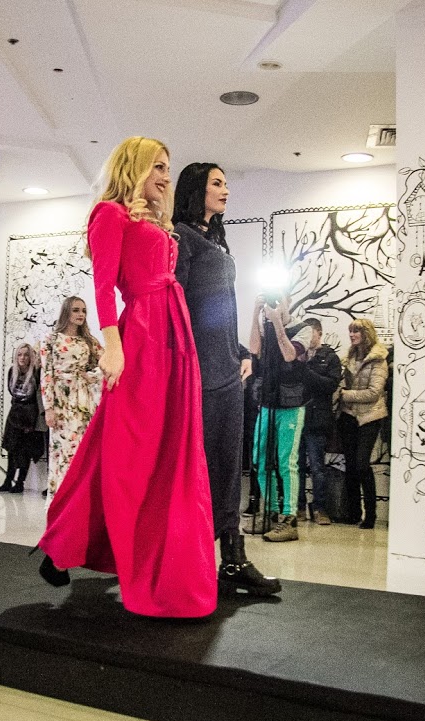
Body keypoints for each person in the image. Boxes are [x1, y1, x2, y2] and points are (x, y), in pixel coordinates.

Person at [36, 136, 217, 618]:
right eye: (157, 166)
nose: (165, 176)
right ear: (132, 167)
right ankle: (93, 546)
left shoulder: (152, 220)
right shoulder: (109, 214)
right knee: (131, 451)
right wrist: (112, 347)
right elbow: (103, 286)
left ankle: (70, 544)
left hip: (174, 335)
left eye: (167, 168)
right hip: (143, 334)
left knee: (150, 447)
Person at [172, 161, 279, 596]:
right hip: (196, 375)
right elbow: (177, 310)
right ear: (196, 189)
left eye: (226, 183)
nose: (226, 190)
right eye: (217, 183)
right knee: (195, 471)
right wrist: (187, 364)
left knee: (229, 468)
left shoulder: (216, 239)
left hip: (227, 373)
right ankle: (189, 562)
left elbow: (221, 312)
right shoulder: (181, 237)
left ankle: (233, 558)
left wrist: (241, 352)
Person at [247, 292, 311, 542]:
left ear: (288, 302)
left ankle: (289, 518)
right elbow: (255, 349)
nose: (275, 305)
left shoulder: (303, 329)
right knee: (260, 459)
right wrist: (256, 313)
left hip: (291, 406)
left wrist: (276, 323)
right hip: (267, 402)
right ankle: (271, 511)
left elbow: (289, 355)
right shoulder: (266, 327)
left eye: (279, 300)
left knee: (287, 462)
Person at [40, 296, 103, 498]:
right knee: (63, 450)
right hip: (61, 401)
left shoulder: (89, 341)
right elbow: (46, 374)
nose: (80, 314)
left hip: (83, 400)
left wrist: (92, 375)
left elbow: (108, 363)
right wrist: (49, 408)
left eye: (83, 311)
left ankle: (79, 499)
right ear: (66, 311)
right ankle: (60, 498)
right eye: (76, 310)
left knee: (81, 449)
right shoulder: (51, 339)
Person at [337, 318, 388, 528]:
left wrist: (345, 395)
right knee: (350, 465)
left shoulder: (379, 360)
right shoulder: (348, 358)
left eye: (356, 331)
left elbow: (374, 392)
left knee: (361, 464)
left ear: (366, 333)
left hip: (370, 417)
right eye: (350, 331)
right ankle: (353, 513)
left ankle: (371, 515)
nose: (352, 335)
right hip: (348, 416)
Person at [299, 318, 343, 525]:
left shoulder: (330, 357)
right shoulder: (297, 354)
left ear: (319, 333)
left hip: (318, 418)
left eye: (311, 333)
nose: (307, 338)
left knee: (317, 467)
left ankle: (320, 508)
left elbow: (331, 385)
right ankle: (298, 506)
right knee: (296, 466)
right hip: (297, 416)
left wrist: (307, 373)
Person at [0, 344, 44, 493]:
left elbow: (37, 395)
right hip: (15, 413)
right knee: (11, 448)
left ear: (31, 357)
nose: (22, 358)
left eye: (26, 355)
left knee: (25, 451)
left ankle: (20, 483)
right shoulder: (12, 371)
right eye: (20, 354)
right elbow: (12, 391)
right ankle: (8, 480)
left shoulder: (36, 372)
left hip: (29, 415)